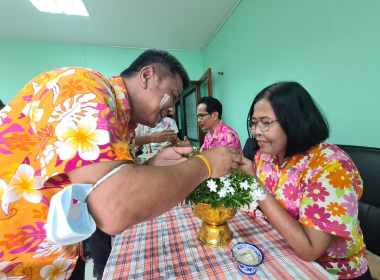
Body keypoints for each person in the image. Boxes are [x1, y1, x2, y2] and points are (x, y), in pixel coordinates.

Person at [0, 49, 242, 279]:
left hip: (59, 255)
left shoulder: (123, 123)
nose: (171, 111)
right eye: (173, 97)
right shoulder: (81, 86)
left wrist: (152, 167)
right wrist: (205, 164)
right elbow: (113, 209)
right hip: (18, 261)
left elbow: (99, 188)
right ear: (146, 76)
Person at [238, 81, 371, 279]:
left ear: (294, 120)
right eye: (254, 123)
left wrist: (255, 185)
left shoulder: (331, 165)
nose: (256, 131)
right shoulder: (265, 156)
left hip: (328, 271)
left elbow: (310, 250)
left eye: (265, 122)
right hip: (281, 251)